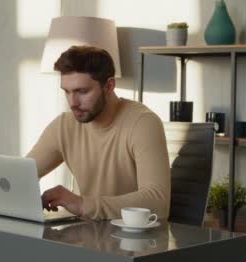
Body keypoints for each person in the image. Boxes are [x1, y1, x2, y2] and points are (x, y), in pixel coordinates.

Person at [27, 45, 170, 220]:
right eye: (67, 91)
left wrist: (82, 205)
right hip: (86, 234)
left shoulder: (143, 123)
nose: (72, 103)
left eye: (82, 91)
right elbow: (22, 174)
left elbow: (158, 202)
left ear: (109, 86)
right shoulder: (64, 126)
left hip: (135, 240)